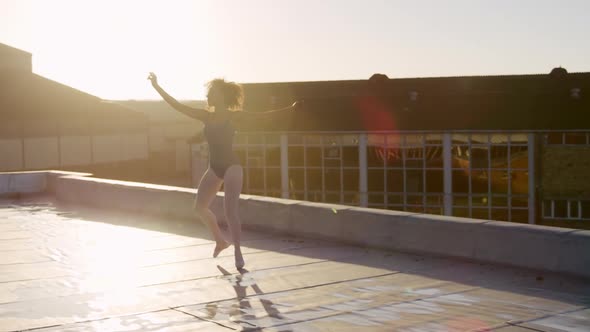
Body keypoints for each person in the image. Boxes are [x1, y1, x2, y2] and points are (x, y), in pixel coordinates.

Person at [147, 72, 301, 269]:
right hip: (214, 168)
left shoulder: (233, 117)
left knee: (230, 211)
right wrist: (157, 87)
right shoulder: (205, 116)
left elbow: (263, 118)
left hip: (232, 167)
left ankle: (238, 251)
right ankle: (220, 241)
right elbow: (177, 106)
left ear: (220, 96)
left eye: (211, 93)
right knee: (199, 207)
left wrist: (290, 109)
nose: (207, 97)